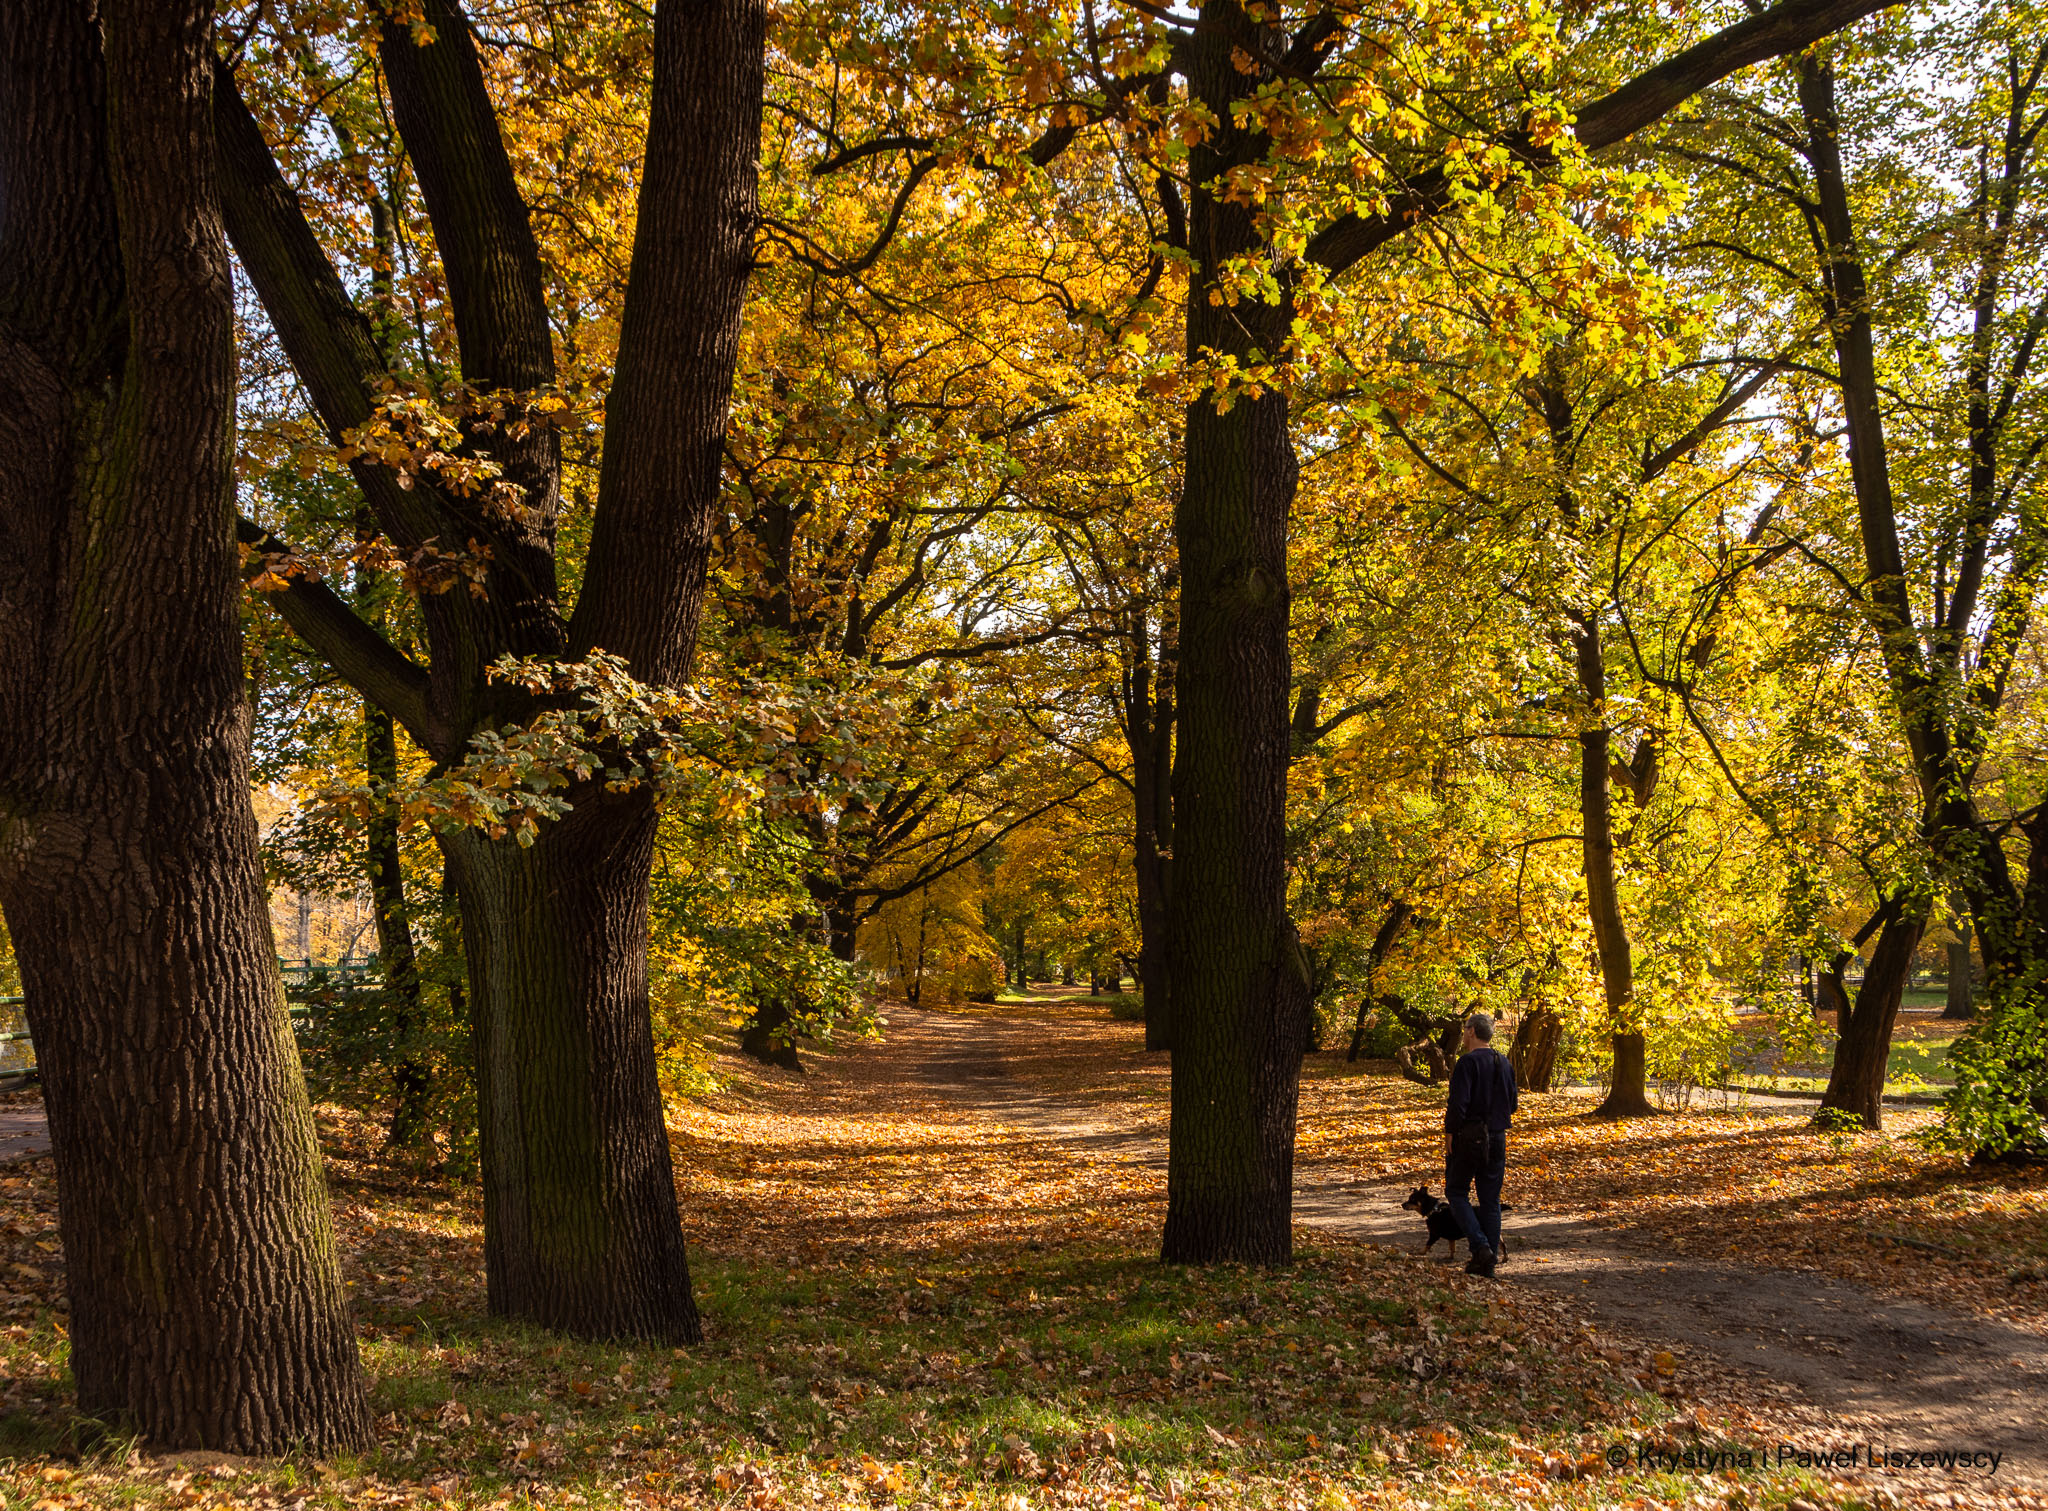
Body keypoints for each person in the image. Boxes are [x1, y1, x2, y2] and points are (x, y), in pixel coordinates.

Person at [1443, 1012, 1516, 1277]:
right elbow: (1513, 1103)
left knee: (1456, 1191)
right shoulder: (1503, 1062)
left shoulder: (1467, 1063)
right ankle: (1489, 1262)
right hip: (1498, 1135)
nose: (1463, 1034)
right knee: (1490, 1200)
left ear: (1472, 1031)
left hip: (1469, 1136)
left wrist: (1450, 1132)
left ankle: (1481, 1246)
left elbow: (1458, 1104)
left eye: (1464, 1029)